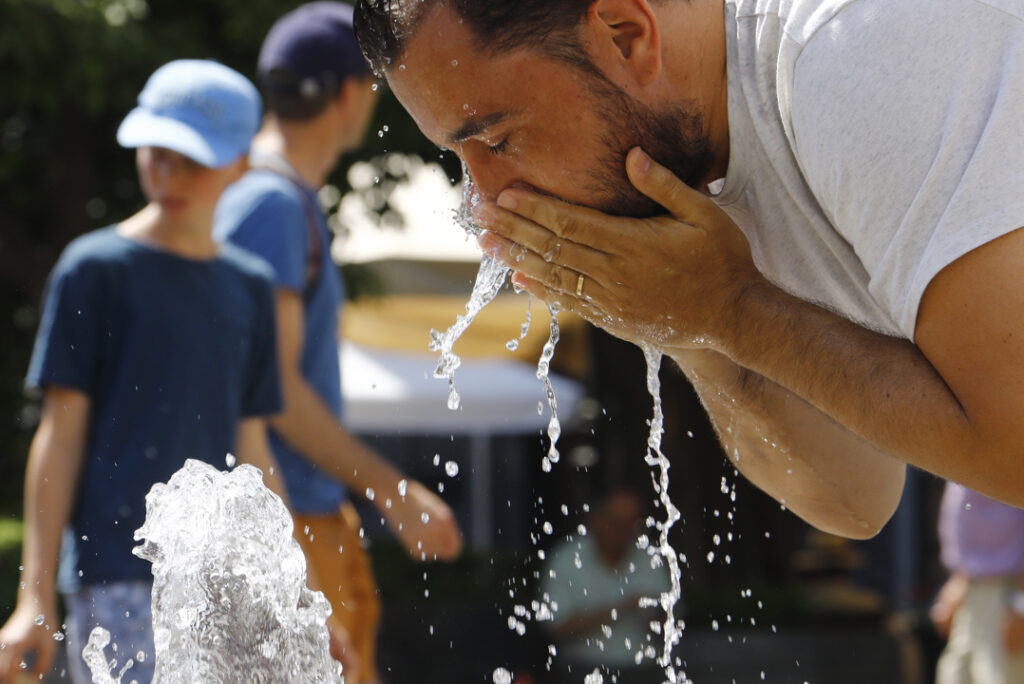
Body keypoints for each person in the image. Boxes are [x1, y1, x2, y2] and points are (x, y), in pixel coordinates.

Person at [352, 0, 1024, 539]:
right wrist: (683, 319)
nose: (487, 201)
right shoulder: (700, 148)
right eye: (460, 157)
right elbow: (854, 500)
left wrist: (734, 310)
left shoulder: (853, 50)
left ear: (626, 34)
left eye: (495, 139)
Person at [0, 60, 283, 683]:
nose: (168, 173)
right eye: (157, 152)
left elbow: (254, 449)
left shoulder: (251, 288)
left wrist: (301, 592)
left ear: (241, 162)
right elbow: (60, 436)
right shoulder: (93, 269)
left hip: (231, 590)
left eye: (193, 159)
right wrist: (33, 596)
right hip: (117, 577)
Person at [214, 4, 464, 681]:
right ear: (351, 93)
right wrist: (393, 489)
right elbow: (276, 392)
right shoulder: (271, 206)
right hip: (287, 522)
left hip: (298, 515)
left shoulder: (266, 199)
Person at [540, 487, 670, 683]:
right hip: (581, 671)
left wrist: (658, 620)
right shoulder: (566, 558)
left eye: (632, 524)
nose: (625, 532)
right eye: (618, 524)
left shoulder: (649, 557)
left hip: (643, 672)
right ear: (596, 520)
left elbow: (672, 623)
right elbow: (556, 626)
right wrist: (623, 607)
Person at [930, 482, 1024, 684]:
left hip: (1007, 594)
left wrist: (1021, 603)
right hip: (970, 588)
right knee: (955, 675)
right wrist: (959, 579)